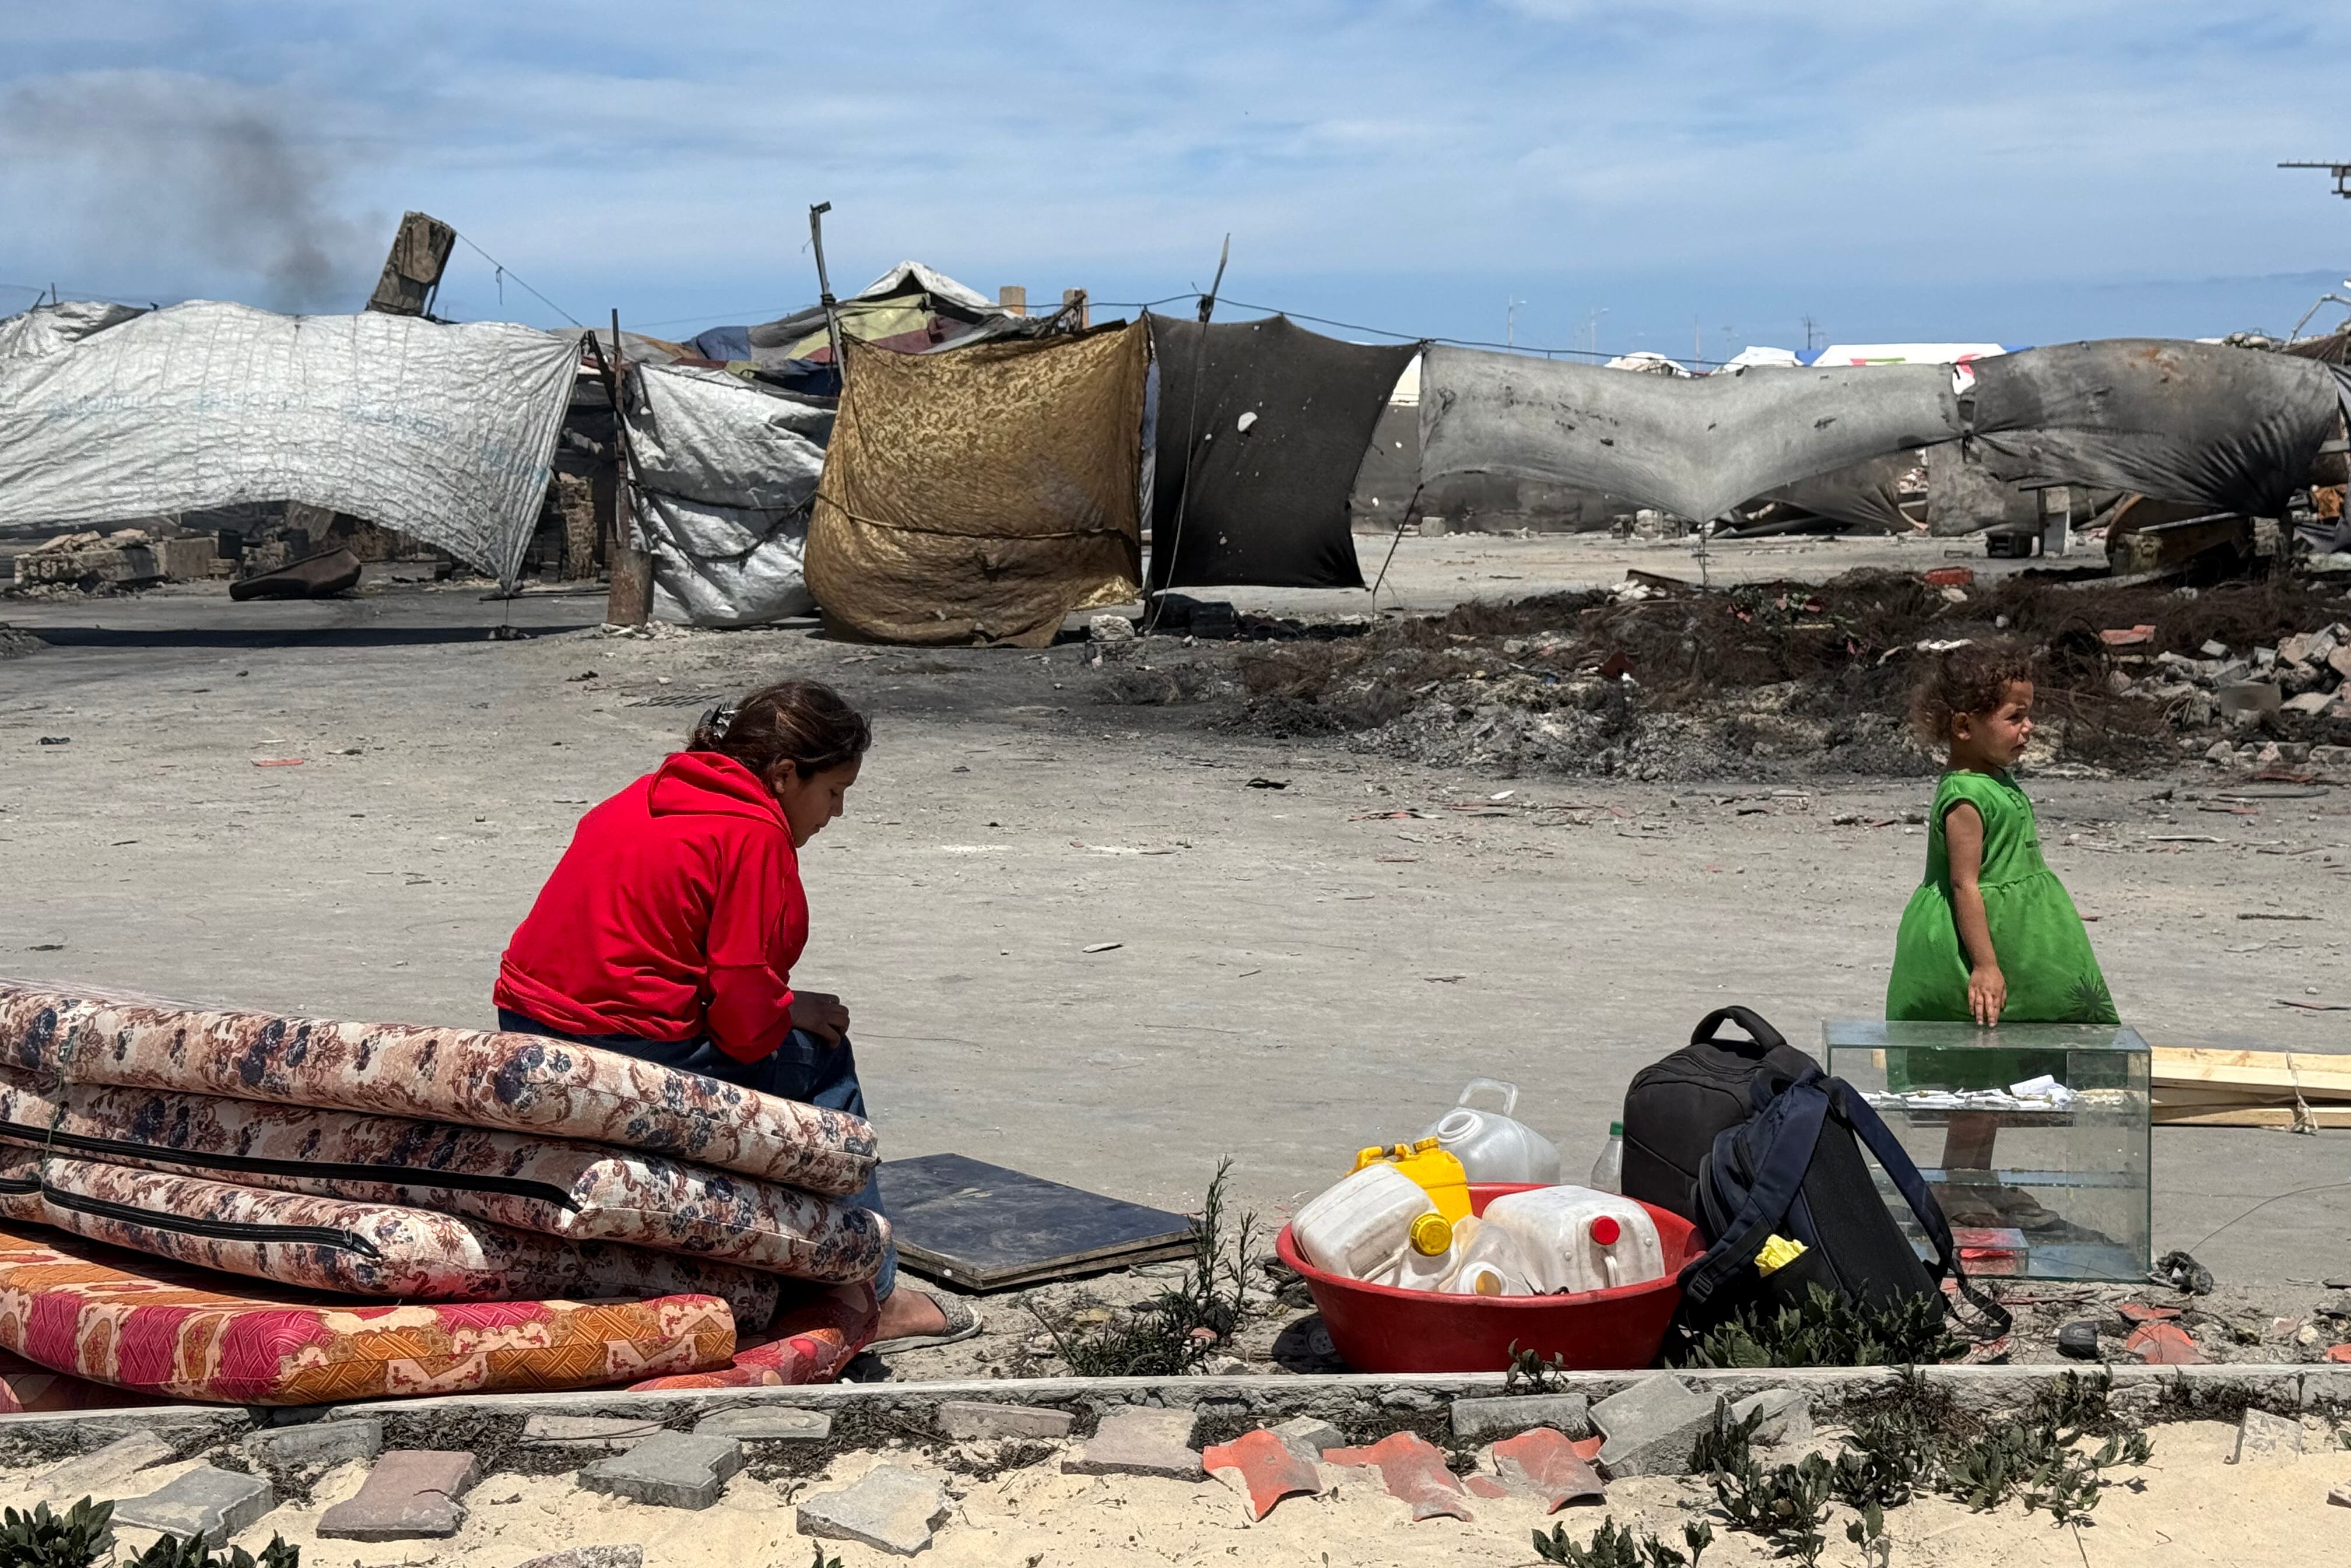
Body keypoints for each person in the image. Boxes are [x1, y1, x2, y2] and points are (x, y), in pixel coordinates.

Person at [494, 678, 975, 1352]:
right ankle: (872, 1291)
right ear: (784, 775)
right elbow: (747, 1027)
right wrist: (794, 1014)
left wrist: (786, 1004)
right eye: (834, 791)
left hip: (525, 1022)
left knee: (797, 1028)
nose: (835, 813)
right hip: (621, 1040)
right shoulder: (754, 835)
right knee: (824, 1058)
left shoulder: (644, 795)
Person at [1884, 646, 2118, 1230]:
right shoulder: (1966, 794)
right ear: (1965, 726)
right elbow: (1965, 884)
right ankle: (1956, 1183)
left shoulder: (1998, 781)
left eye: (2026, 714)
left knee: (1997, 1070)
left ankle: (1977, 1175)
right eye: (2014, 716)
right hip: (1970, 948)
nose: (2028, 727)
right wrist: (1985, 965)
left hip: (2008, 936)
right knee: (1977, 1073)